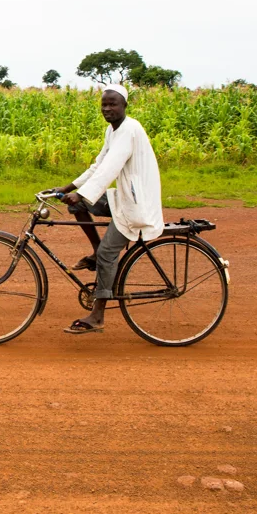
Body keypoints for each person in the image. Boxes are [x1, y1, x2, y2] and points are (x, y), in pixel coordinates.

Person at [51, 83, 164, 334]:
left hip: (136, 205)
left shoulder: (129, 130)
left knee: (107, 255)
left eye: (113, 104)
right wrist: (69, 188)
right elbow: (98, 166)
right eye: (104, 104)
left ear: (125, 106)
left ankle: (97, 316)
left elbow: (110, 169)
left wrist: (82, 194)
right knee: (78, 208)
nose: (107, 108)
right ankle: (95, 249)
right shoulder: (112, 131)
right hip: (125, 198)